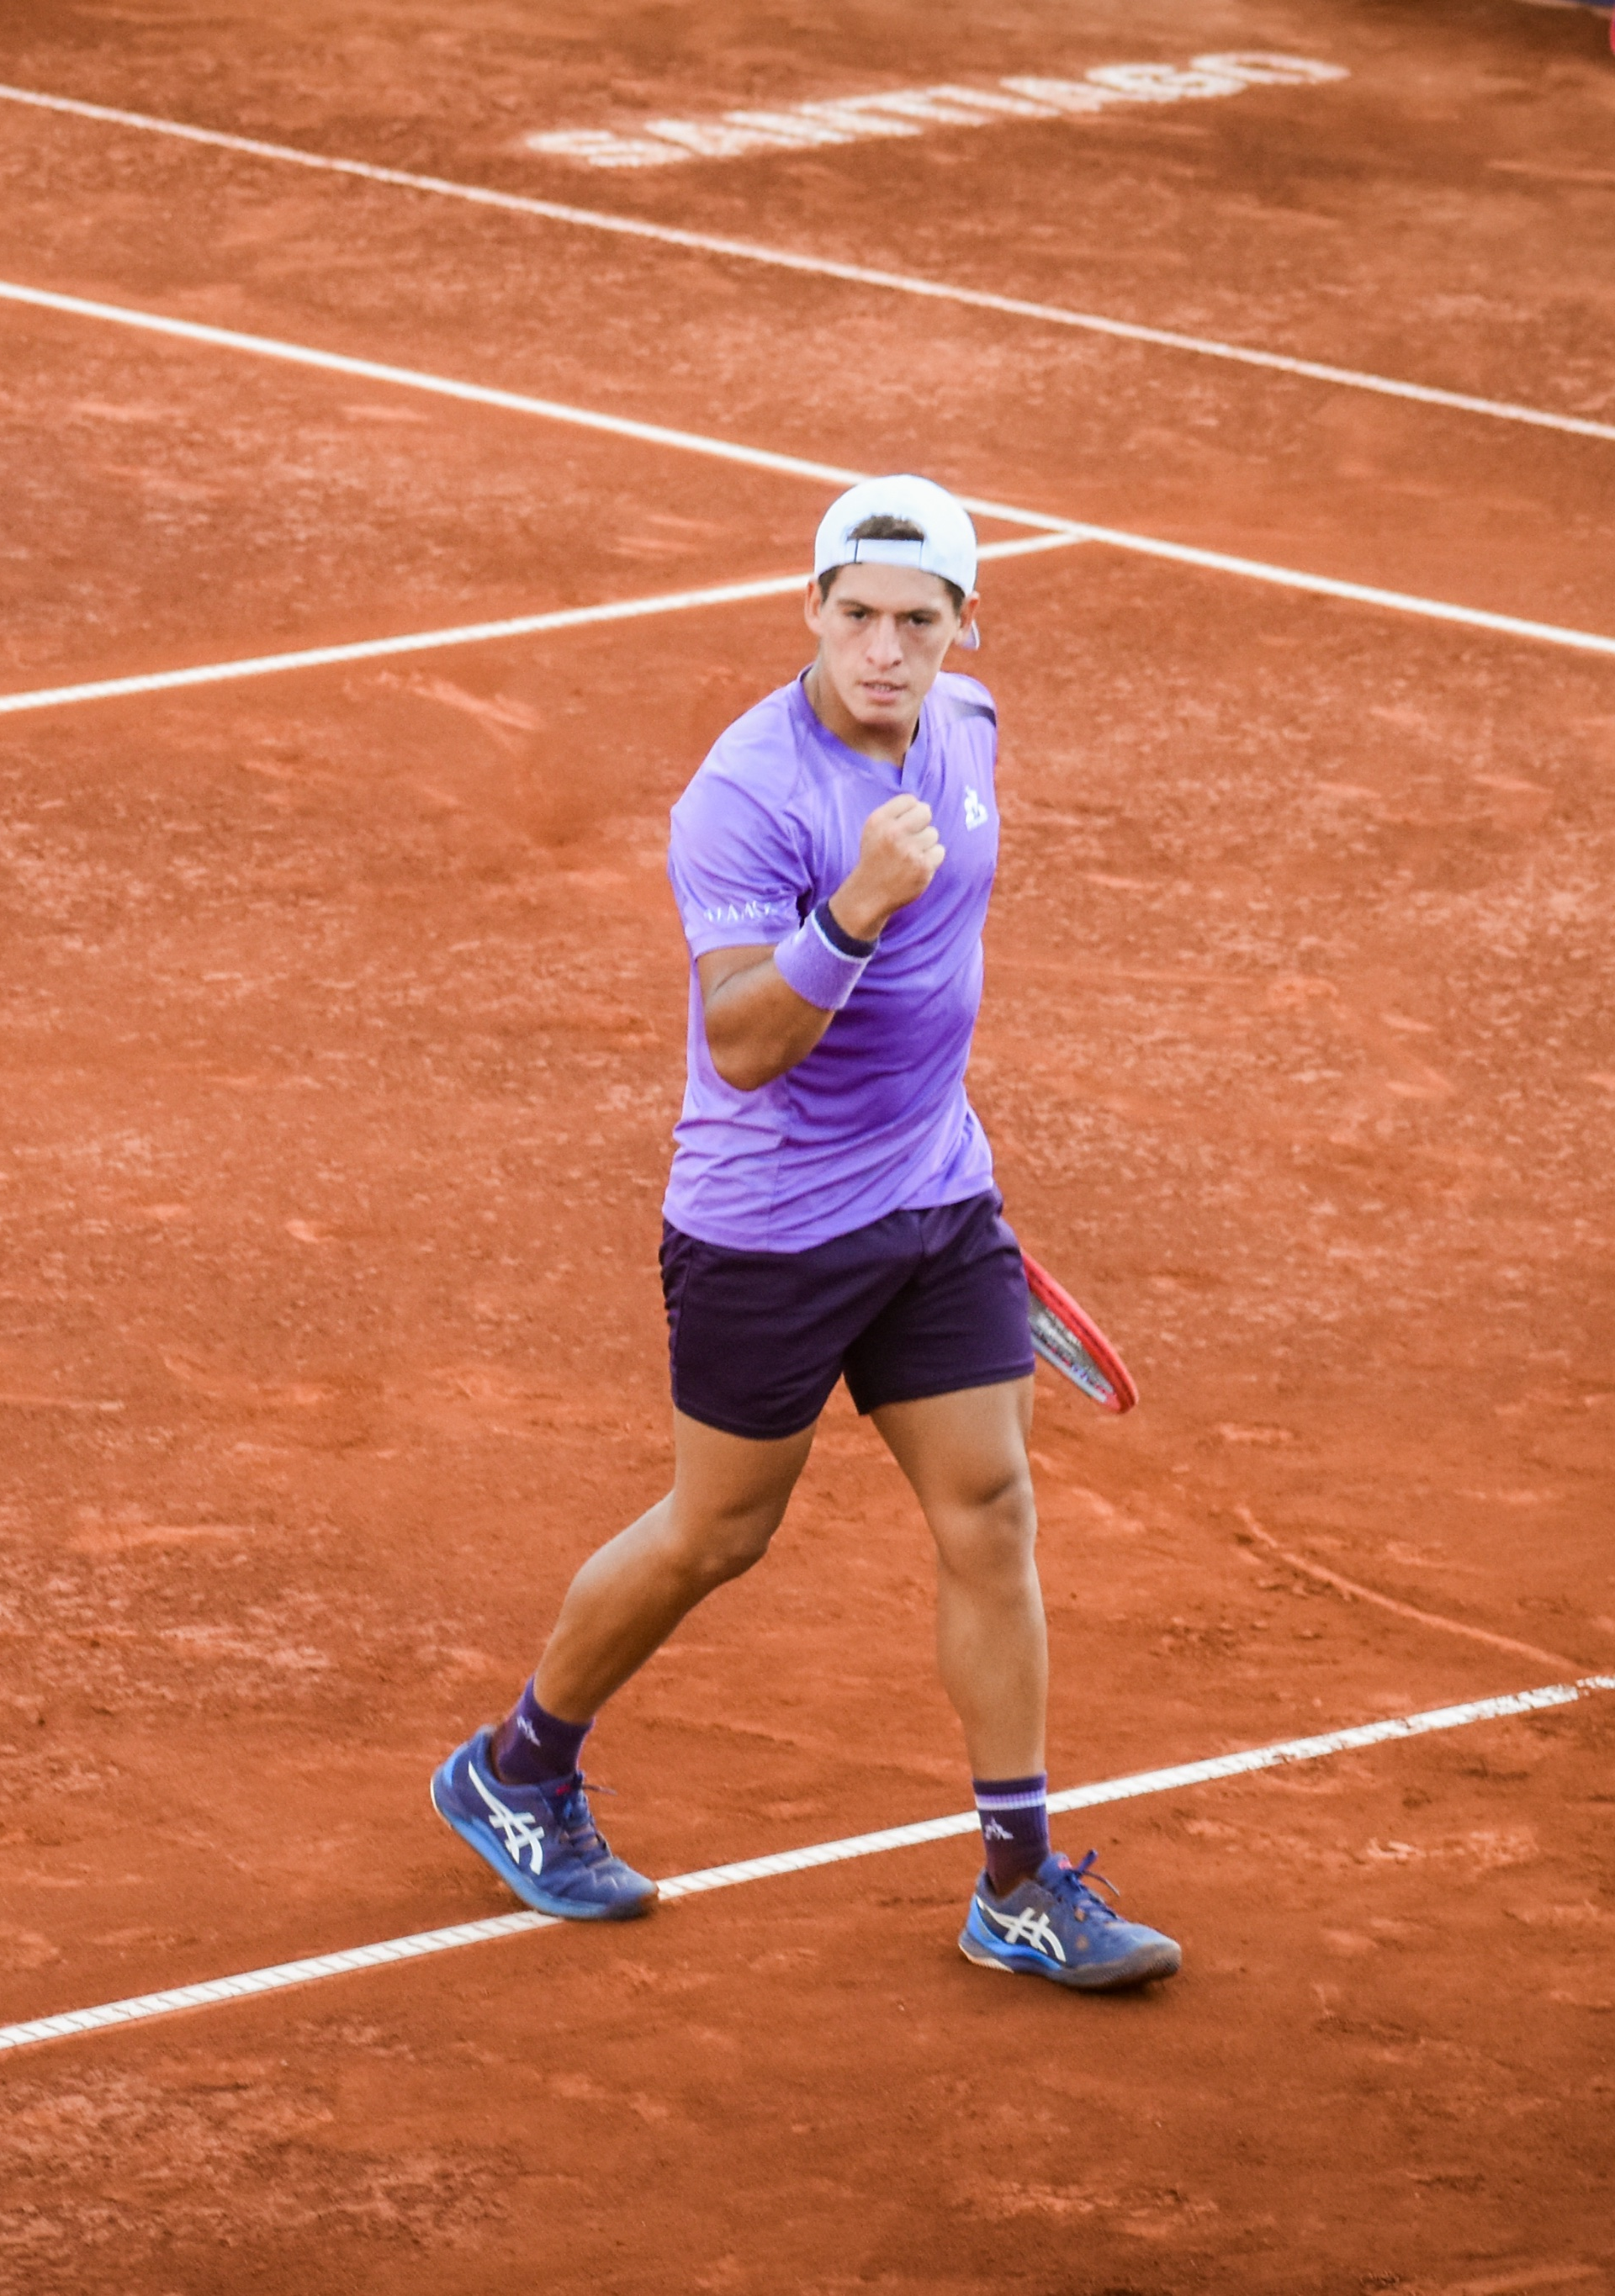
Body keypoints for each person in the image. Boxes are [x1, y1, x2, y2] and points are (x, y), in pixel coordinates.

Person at [428, 474, 1180, 1992]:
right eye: (857, 617)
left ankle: (1020, 1881)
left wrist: (938, 1147)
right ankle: (517, 1765)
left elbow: (943, 975)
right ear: (811, 612)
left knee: (993, 1516)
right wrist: (854, 909)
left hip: (936, 1201)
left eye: (919, 621)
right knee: (722, 1528)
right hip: (767, 1230)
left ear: (966, 628)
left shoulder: (967, 731)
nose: (885, 651)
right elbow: (747, 1040)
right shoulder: (743, 796)